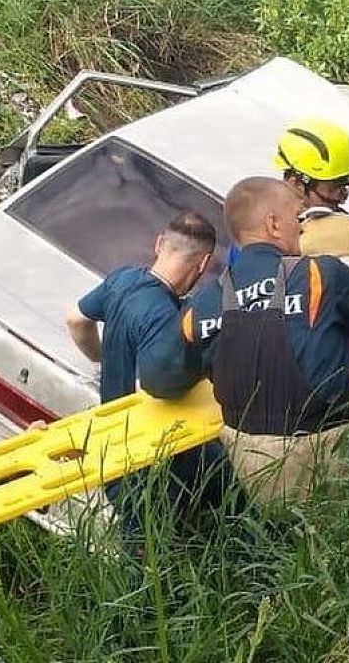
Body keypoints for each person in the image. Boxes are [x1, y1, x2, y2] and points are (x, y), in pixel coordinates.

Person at [181, 177, 349, 506]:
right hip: (325, 444)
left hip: (250, 457)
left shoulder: (203, 302)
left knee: (295, 540)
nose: (302, 228)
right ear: (273, 224)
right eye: (297, 218)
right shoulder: (318, 274)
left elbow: (162, 376)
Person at [66, 211, 230, 517]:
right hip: (148, 458)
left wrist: (101, 357)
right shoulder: (170, 318)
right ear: (204, 263)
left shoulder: (123, 279)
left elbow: (75, 319)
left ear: (159, 244)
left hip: (113, 441)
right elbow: (152, 390)